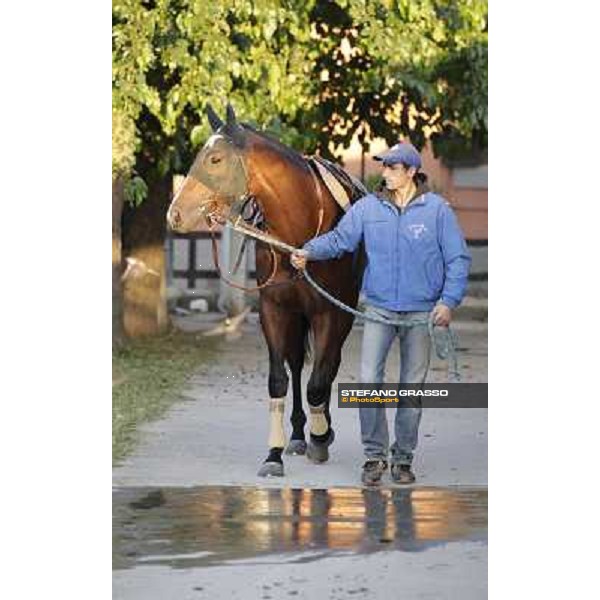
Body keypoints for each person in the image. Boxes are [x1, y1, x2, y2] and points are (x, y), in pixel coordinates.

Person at [290, 142, 471, 485]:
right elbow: (341, 239)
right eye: (384, 166)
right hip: (379, 312)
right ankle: (374, 457)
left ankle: (402, 459)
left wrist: (448, 301)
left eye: (392, 167)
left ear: (412, 172)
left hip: (422, 314)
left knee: (411, 390)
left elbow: (458, 259)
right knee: (370, 383)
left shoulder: (437, 211)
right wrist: (308, 251)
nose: (384, 172)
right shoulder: (368, 209)